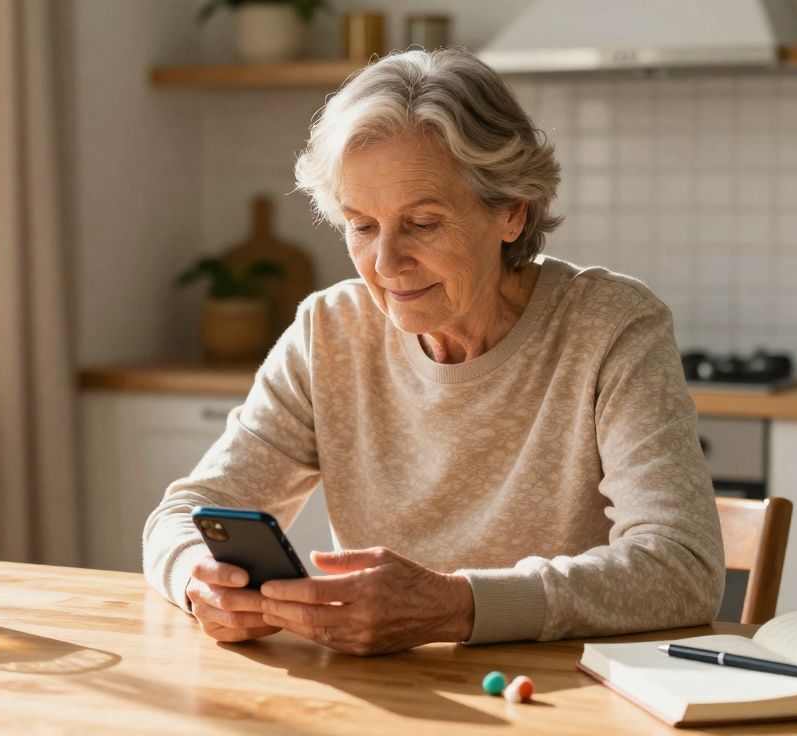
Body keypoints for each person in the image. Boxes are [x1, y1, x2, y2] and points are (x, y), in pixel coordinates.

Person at [143, 47, 724, 655]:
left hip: (557, 696)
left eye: (422, 223)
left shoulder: (611, 328)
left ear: (510, 212)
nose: (386, 264)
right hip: (386, 697)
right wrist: (197, 582)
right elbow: (183, 515)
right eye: (361, 226)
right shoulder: (330, 332)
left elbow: (682, 568)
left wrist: (457, 607)